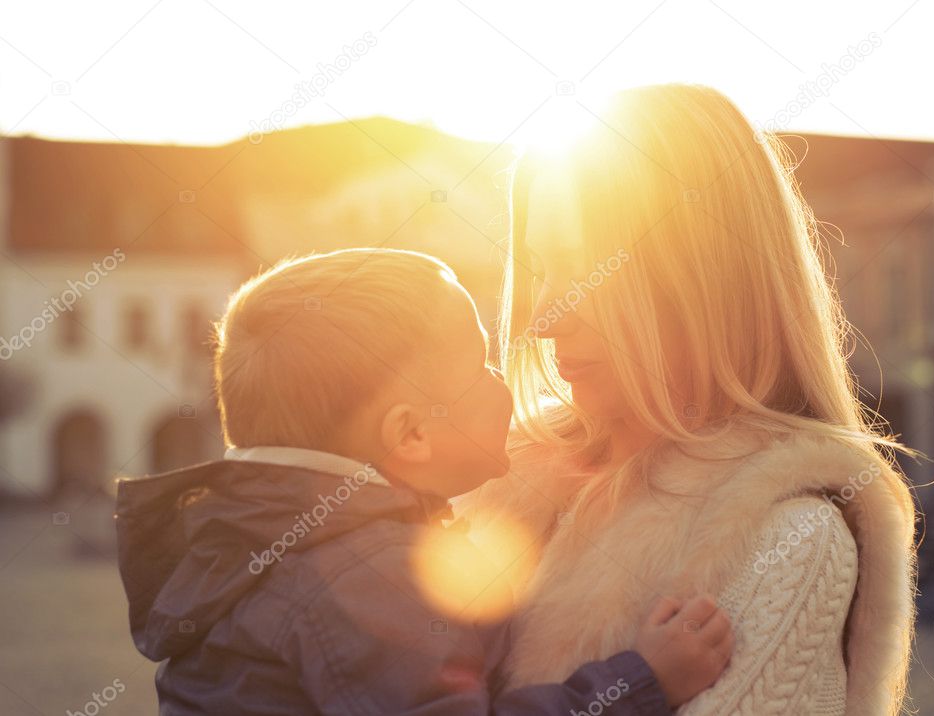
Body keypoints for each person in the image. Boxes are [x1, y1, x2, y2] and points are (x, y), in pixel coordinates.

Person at [457, 84, 921, 715]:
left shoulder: (793, 542)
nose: (543, 317)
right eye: (540, 270)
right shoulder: (488, 485)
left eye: (582, 268)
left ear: (696, 276)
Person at [114, 248, 734, 715]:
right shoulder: (367, 574)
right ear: (411, 435)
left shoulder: (266, 543)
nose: (505, 386)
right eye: (483, 366)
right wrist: (640, 681)